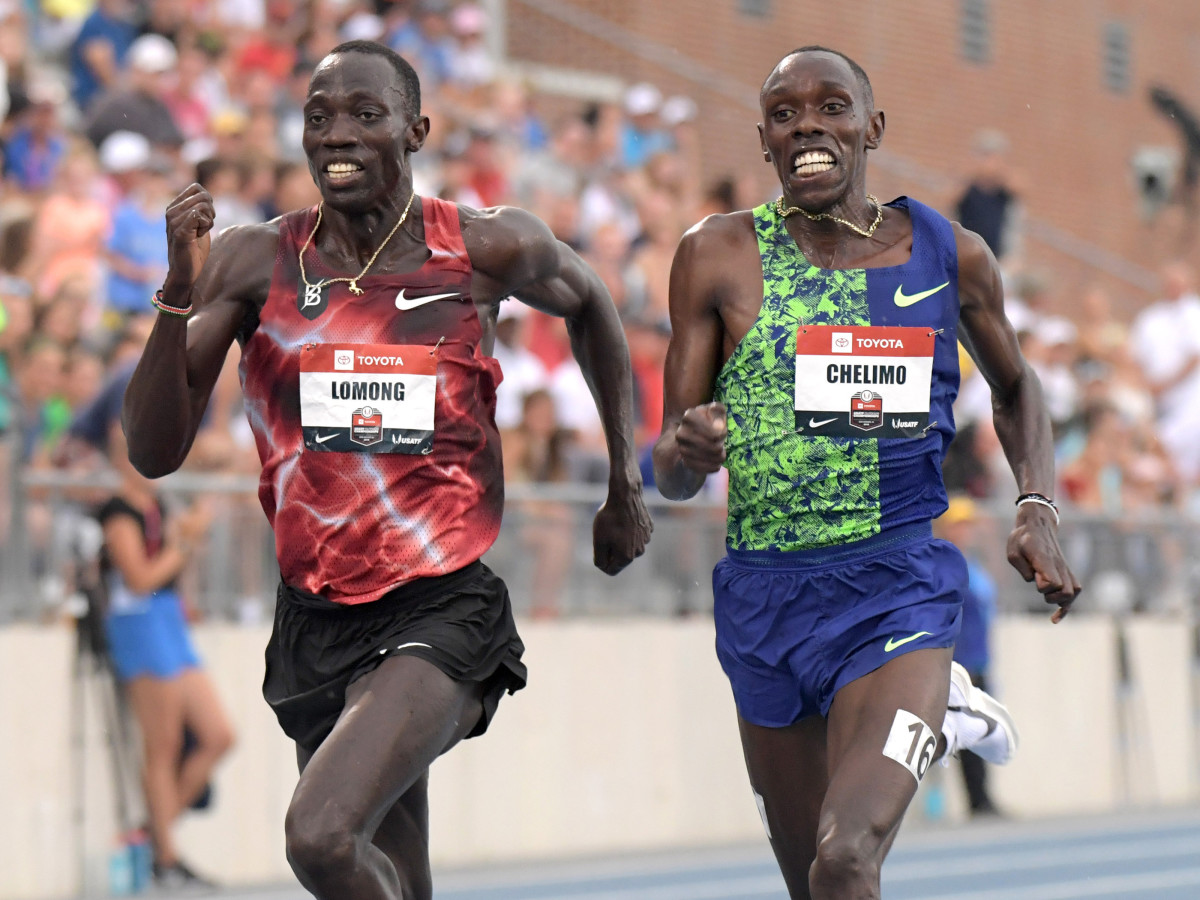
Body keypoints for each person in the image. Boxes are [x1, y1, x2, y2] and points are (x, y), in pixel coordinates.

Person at [121, 40, 652, 900]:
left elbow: (591, 302)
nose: (340, 136)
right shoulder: (258, 262)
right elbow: (153, 451)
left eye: (366, 117)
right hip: (316, 614)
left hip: (438, 605)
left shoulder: (485, 248)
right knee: (391, 873)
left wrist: (624, 477)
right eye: (319, 118)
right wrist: (177, 295)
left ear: (416, 130)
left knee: (320, 836)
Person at [652, 46, 1080, 899]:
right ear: (765, 140)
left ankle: (927, 693)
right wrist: (686, 451)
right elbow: (670, 465)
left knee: (846, 858)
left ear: (872, 128)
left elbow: (1019, 386)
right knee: (811, 881)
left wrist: (1037, 500)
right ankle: (939, 710)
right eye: (784, 113)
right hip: (766, 596)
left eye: (832, 107)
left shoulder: (950, 254)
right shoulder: (718, 255)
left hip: (895, 585)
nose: (808, 124)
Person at [95, 422, 234, 890]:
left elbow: (169, 568)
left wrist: (187, 541)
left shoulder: (157, 505)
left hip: (168, 621)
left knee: (217, 734)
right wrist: (185, 545)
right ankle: (165, 855)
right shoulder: (118, 512)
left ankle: (153, 838)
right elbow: (139, 577)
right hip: (139, 624)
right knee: (164, 744)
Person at [934, 496, 1002, 817]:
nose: (966, 532)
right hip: (958, 661)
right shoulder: (943, 566)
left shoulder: (974, 565)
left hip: (978, 658)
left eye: (969, 525)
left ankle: (982, 797)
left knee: (978, 732)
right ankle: (974, 800)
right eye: (960, 525)